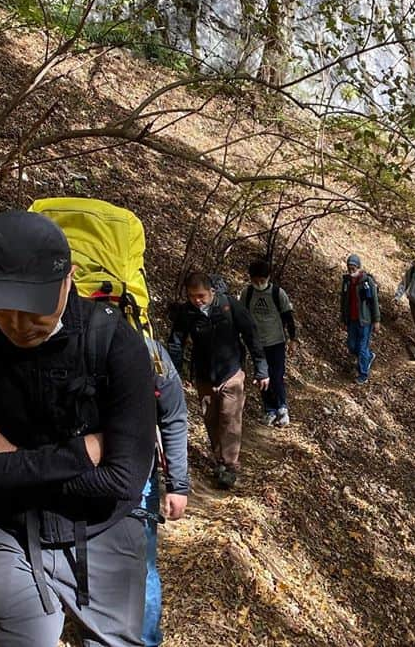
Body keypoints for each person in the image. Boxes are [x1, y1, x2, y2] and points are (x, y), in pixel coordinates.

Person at [0, 210, 156, 647]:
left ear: (69, 278)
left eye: (32, 306)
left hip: (106, 533)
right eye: (2, 308)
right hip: (11, 531)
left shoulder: (115, 344)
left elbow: (125, 479)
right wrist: (77, 455)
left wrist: (9, 460)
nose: (18, 324)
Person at [167, 272, 268, 489]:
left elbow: (251, 334)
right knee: (211, 419)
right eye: (192, 296)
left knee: (230, 419)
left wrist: (262, 369)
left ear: (211, 291)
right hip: (204, 375)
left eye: (201, 295)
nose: (198, 300)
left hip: (231, 372)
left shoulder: (229, 306)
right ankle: (219, 461)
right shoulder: (187, 313)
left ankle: (230, 466)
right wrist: (173, 373)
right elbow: (176, 342)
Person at [139, 338, 188, 647]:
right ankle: (146, 640)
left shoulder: (64, 339)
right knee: (143, 564)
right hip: (138, 471)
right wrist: (177, 485)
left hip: (76, 469)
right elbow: (173, 416)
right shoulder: (150, 349)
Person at [239, 258, 298, 428]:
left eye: (262, 280)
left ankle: (282, 407)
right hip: (256, 343)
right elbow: (242, 315)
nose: (259, 284)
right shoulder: (247, 293)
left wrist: (293, 339)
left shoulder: (278, 294)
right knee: (262, 377)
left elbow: (288, 317)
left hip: (276, 341)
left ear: (268, 278)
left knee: (276, 375)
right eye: (255, 280)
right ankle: (269, 409)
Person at [340, 254, 381, 384]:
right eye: (349, 267)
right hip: (352, 320)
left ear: (358, 267)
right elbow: (343, 301)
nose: (351, 270)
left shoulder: (367, 281)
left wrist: (376, 320)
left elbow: (374, 301)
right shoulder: (346, 281)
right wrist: (343, 319)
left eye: (353, 267)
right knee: (352, 346)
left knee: (362, 347)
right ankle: (368, 357)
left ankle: (363, 374)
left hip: (365, 320)